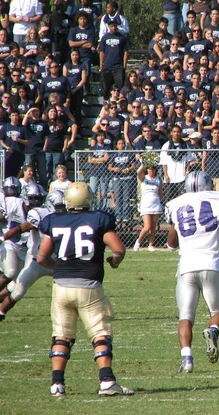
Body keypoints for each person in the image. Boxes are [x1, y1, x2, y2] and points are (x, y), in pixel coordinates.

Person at [37, 182, 134, 397]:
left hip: (61, 287)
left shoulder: (54, 221)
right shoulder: (98, 219)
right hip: (89, 286)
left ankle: (57, 384)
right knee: (100, 333)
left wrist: (61, 268)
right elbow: (118, 249)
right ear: (89, 200)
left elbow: (41, 257)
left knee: (61, 334)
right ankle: (107, 381)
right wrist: (115, 261)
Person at [164, 171, 219, 372]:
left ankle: (187, 359)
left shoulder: (175, 203)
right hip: (211, 265)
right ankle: (212, 331)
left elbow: (171, 243)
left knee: (185, 316)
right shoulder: (217, 199)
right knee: (218, 313)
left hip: (186, 268)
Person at [0, 188, 63, 321]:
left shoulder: (68, 217)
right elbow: (22, 228)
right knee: (18, 291)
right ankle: (1, 312)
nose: (62, 210)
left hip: (55, 262)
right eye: (59, 206)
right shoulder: (40, 214)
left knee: (70, 281)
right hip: (35, 260)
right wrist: (5, 237)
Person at [133, 163, 163, 252]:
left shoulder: (158, 179)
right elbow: (138, 172)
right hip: (146, 204)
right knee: (147, 226)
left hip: (156, 204)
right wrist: (144, 163)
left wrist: (158, 200)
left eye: (153, 169)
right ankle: (138, 242)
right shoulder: (144, 178)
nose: (151, 171)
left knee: (153, 226)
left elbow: (160, 193)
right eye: (150, 169)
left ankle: (151, 244)